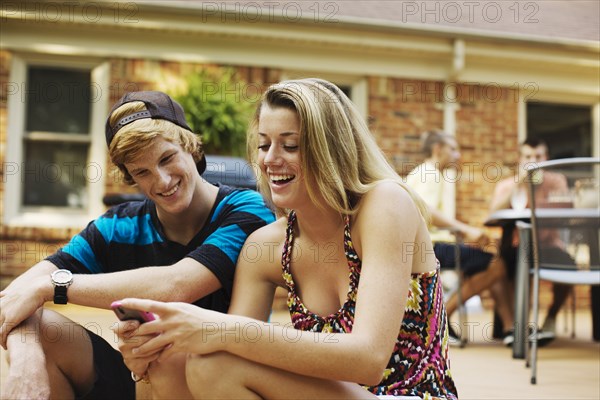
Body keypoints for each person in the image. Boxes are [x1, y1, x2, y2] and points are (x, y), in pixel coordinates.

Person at [114, 78, 458, 399]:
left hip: (408, 394)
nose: (270, 159)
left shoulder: (384, 204)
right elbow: (229, 352)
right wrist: (148, 352)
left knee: (214, 359)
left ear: (330, 148)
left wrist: (218, 328)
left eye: (290, 145)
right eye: (264, 145)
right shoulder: (268, 245)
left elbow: (367, 359)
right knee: (185, 362)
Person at [0, 91, 275, 399]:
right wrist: (28, 366)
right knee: (43, 329)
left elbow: (178, 284)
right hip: (141, 375)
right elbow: (15, 296)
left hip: (220, 380)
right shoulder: (118, 227)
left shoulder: (248, 210)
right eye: (142, 172)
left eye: (167, 159)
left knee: (167, 355)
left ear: (190, 147)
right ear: (130, 177)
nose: (161, 181)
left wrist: (51, 288)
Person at [405, 130, 514, 345]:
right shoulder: (430, 173)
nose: (457, 155)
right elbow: (425, 210)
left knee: (488, 264)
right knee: (497, 264)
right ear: (438, 150)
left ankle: (510, 329)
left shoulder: (424, 173)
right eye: (453, 149)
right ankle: (439, 320)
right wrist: (465, 230)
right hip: (430, 247)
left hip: (428, 244)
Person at [490, 137, 573, 345]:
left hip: (548, 245)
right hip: (516, 246)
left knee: (570, 267)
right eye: (528, 156)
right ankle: (512, 328)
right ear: (519, 159)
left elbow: (565, 212)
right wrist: (518, 184)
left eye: (538, 156)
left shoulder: (556, 180)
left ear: (546, 158)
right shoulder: (507, 184)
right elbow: (492, 213)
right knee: (495, 267)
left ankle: (550, 318)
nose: (533, 161)